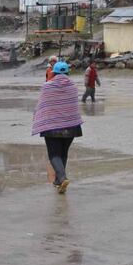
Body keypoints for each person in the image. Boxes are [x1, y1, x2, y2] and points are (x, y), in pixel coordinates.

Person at [32, 62, 83, 194]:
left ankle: (62, 177)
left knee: (54, 154)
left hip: (52, 127)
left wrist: (37, 117)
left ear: (53, 73)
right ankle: (58, 181)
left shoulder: (47, 86)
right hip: (71, 126)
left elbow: (41, 105)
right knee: (63, 153)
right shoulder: (73, 86)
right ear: (67, 73)